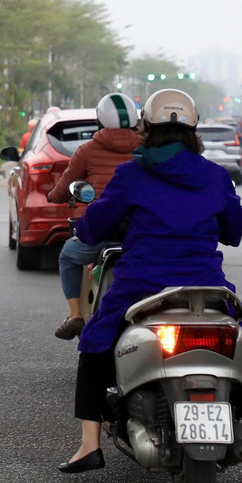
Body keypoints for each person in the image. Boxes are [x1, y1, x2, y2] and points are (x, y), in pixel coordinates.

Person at [58, 88, 242, 478]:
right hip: (205, 287)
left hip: (141, 286)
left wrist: (91, 219)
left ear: (146, 128)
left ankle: (89, 445)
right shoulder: (214, 175)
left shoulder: (132, 174)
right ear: (194, 131)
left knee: (94, 338)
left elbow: (95, 227)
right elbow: (235, 231)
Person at [45, 93, 141, 340]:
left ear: (100, 121)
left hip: (101, 230)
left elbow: (64, 186)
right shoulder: (146, 150)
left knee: (68, 255)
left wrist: (52, 196)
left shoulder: (88, 150)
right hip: (142, 232)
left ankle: (76, 314)